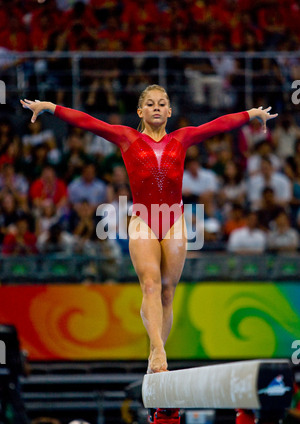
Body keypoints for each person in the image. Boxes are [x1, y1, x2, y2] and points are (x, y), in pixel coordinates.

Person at [20, 86, 277, 373]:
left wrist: (251, 114)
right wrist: (50, 107)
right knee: (151, 285)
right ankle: (157, 351)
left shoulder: (182, 138)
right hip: (143, 218)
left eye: (162, 104)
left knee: (167, 292)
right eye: (150, 104)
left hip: (174, 220)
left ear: (169, 111)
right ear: (140, 112)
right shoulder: (127, 137)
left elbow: (217, 125)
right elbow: (89, 122)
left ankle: (157, 349)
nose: (157, 108)